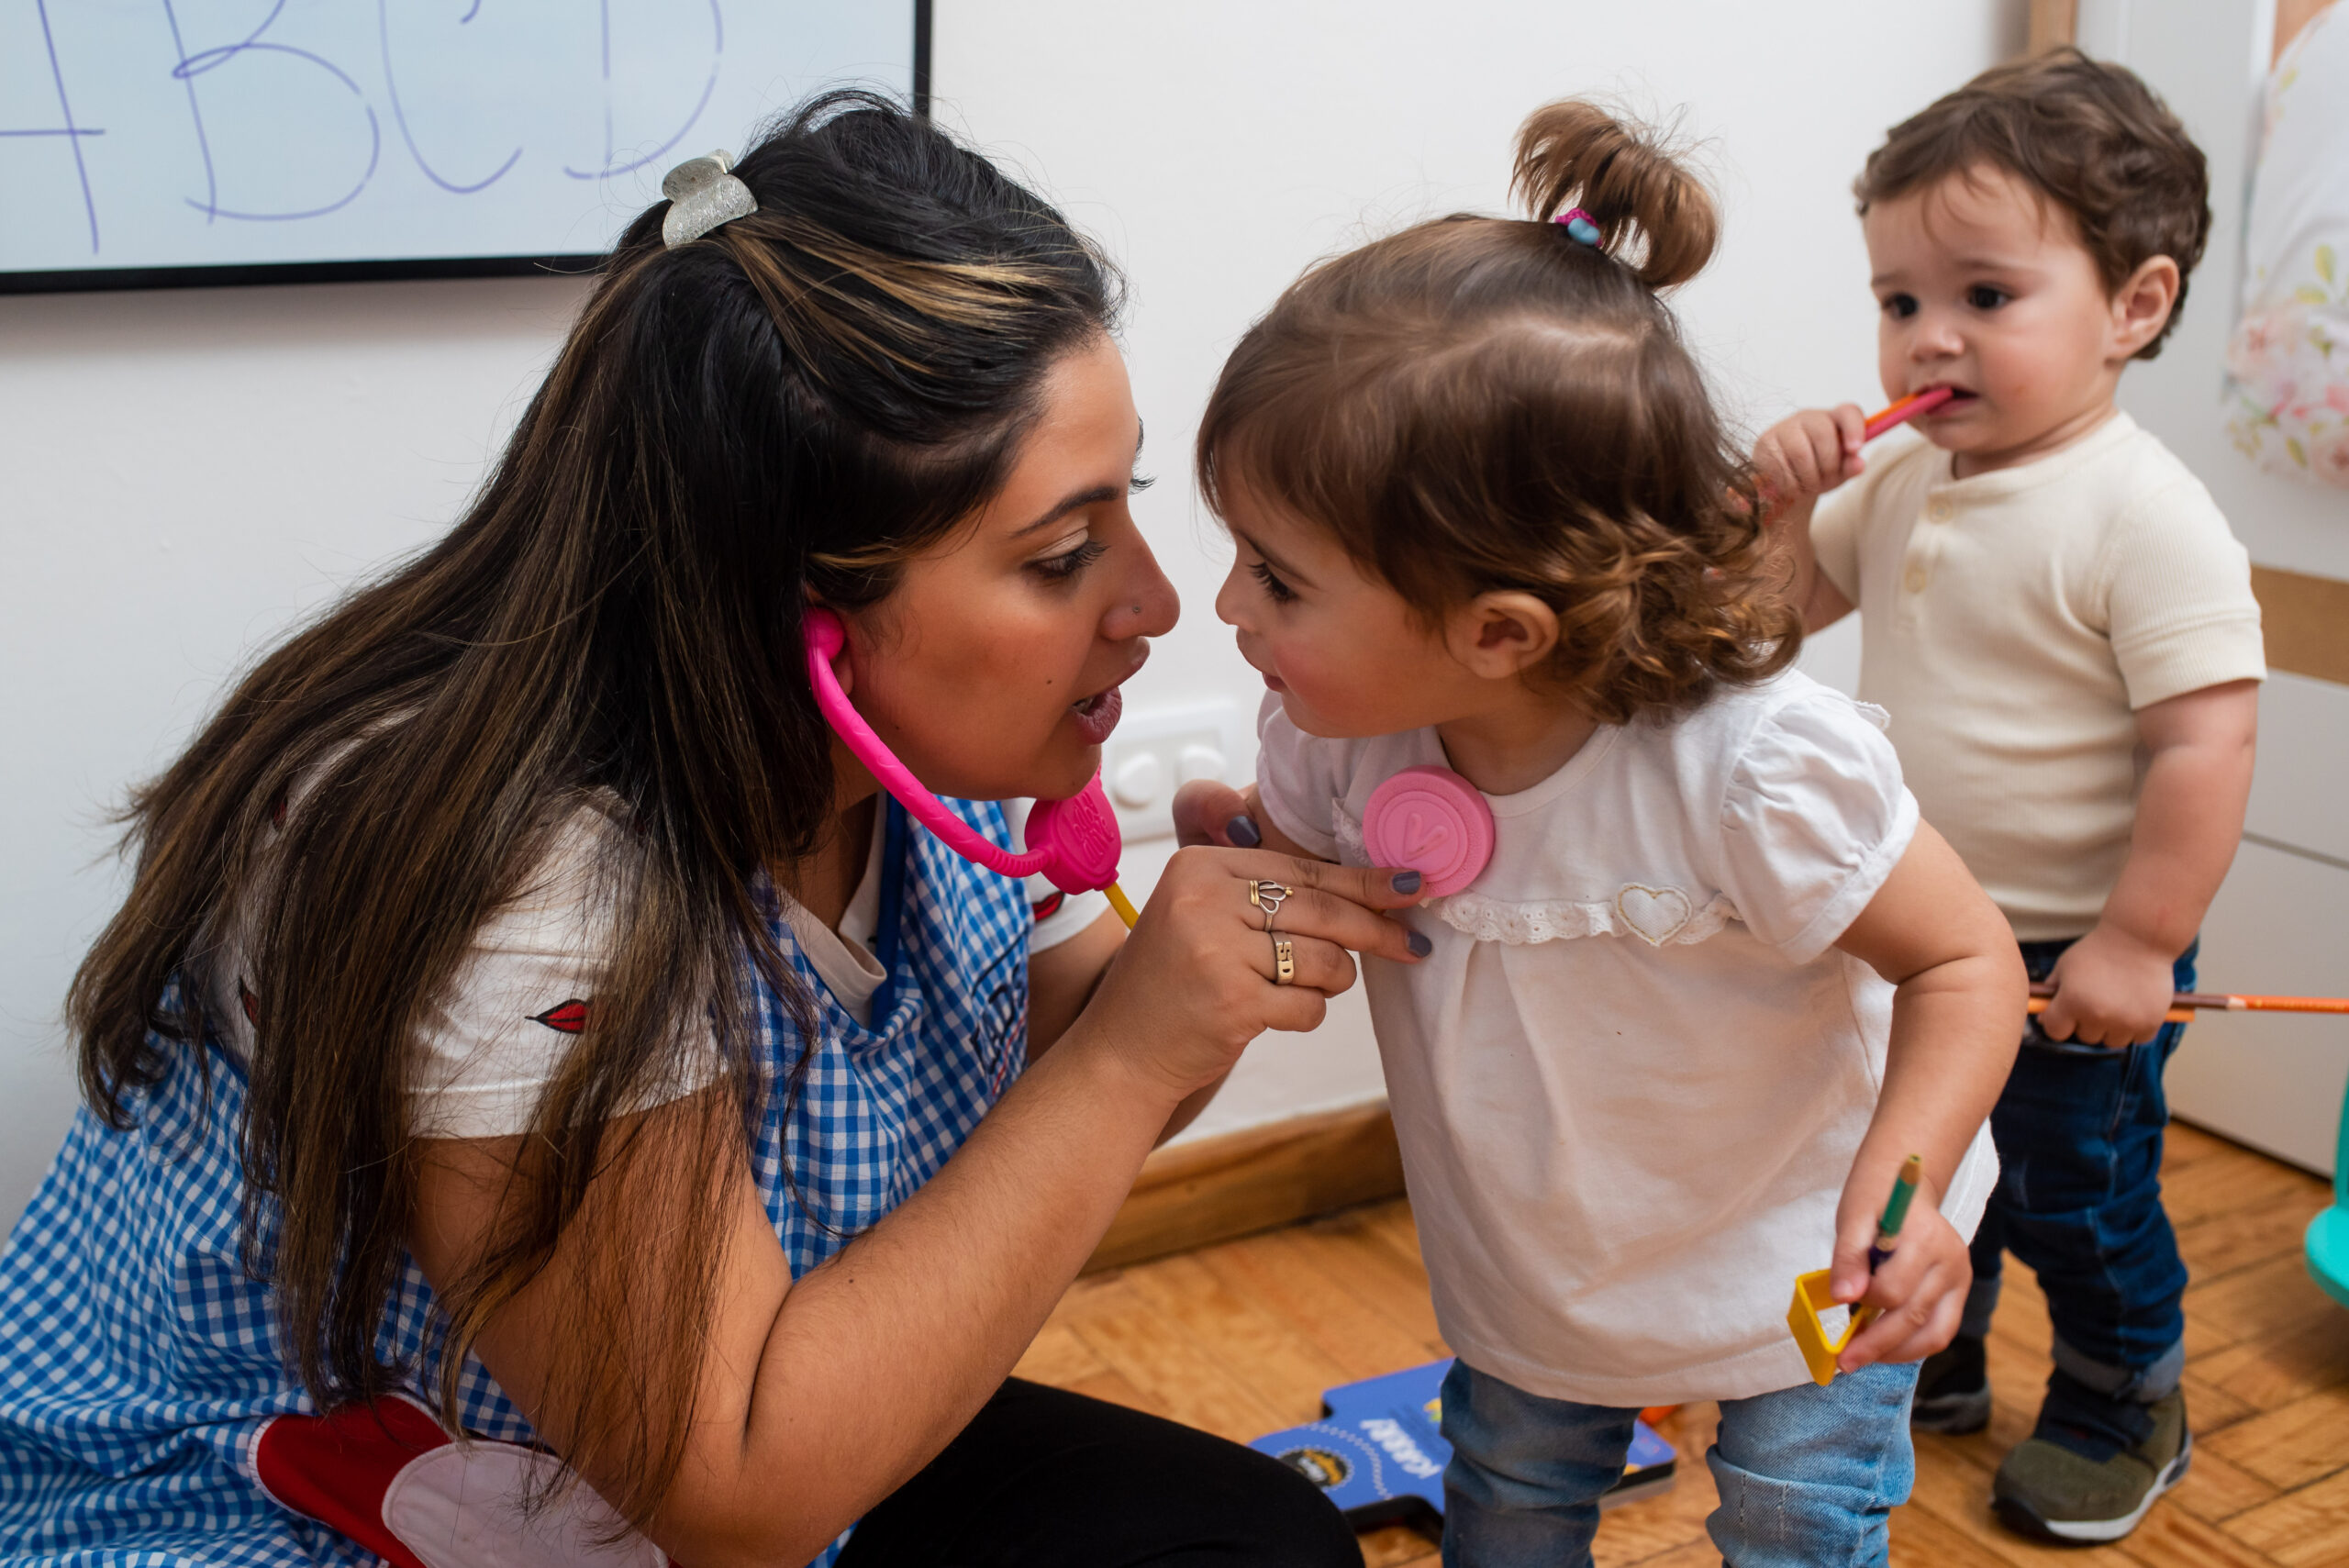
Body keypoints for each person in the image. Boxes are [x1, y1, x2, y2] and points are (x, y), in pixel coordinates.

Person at [0, 92, 1427, 1568]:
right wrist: (1140, 1051)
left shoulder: (943, 752)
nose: (1152, 603)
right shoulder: (523, 882)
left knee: (1258, 1548)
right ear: (799, 613)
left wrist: (1191, 984)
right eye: (1062, 555)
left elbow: (1063, 1072)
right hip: (324, 1509)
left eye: (1120, 507)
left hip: (683, 1431)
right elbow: (740, 1492)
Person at [1173, 100, 2025, 1568]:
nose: (1227, 611)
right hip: (1541, 1261)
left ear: (1496, 631)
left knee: (1796, 1521)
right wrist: (1259, 862)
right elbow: (1329, 890)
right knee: (1504, 1499)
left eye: (1276, 576)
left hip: (1799, 1239)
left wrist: (1904, 1198)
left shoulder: (1752, 769)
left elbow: (1965, 961)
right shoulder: (1335, 738)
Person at [1754, 50, 2265, 1544]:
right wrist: (1787, 508)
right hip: (1916, 925)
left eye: (1986, 297)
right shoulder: (1904, 478)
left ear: (2135, 307)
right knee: (1914, 1153)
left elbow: (2205, 747)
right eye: (1900, 298)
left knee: (2073, 1195)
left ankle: (2123, 1391)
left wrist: (2137, 939)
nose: (1929, 341)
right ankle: (1947, 1348)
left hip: (2071, 948)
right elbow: (1772, 617)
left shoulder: (2143, 513)